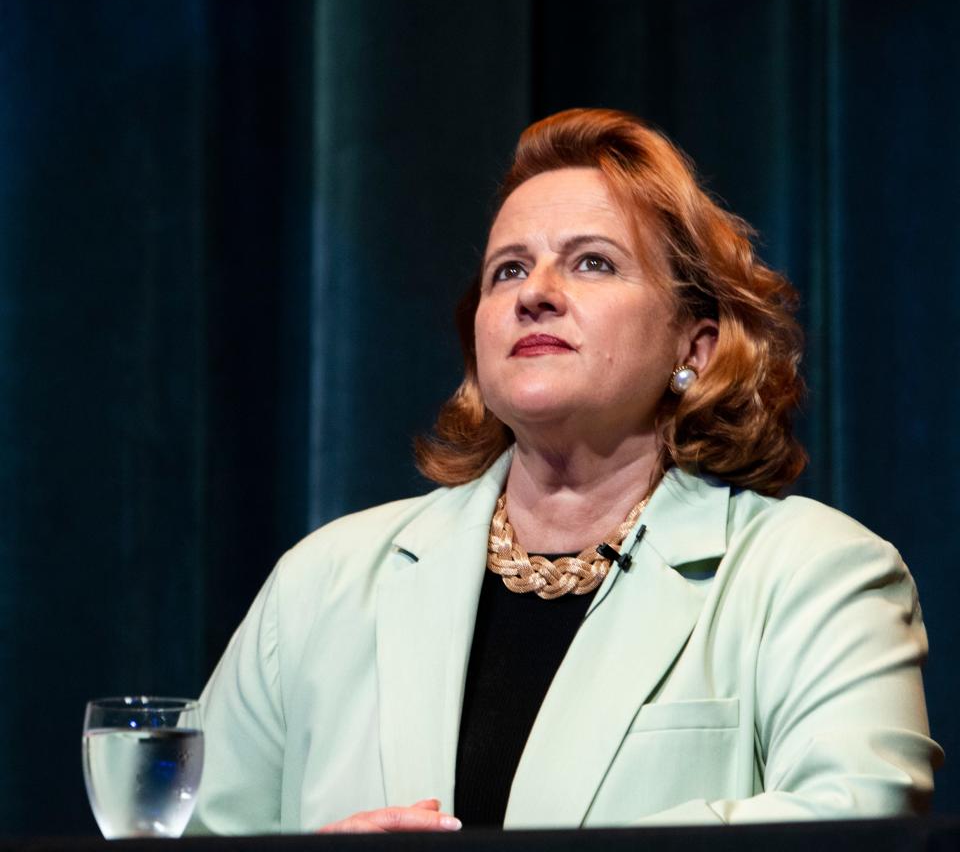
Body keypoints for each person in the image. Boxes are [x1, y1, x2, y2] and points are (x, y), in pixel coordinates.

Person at [190, 108, 942, 834]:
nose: (535, 293)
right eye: (507, 269)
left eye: (592, 262)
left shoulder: (815, 574)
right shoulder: (321, 583)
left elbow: (857, 816)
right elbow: (193, 831)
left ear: (695, 347)